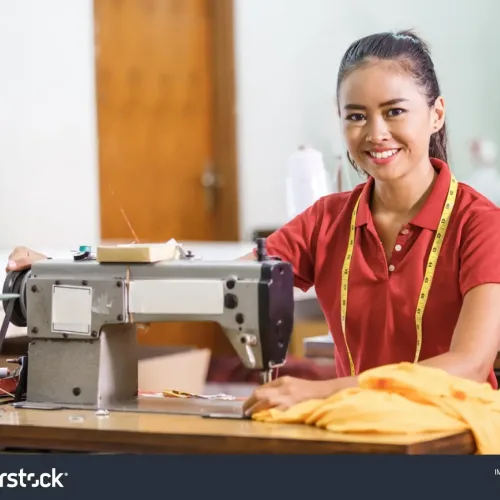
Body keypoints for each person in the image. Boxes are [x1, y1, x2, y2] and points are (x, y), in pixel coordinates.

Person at [6, 30, 500, 418]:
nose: (375, 133)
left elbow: (468, 365)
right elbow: (207, 286)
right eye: (356, 116)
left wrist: (322, 390)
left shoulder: (482, 226)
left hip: (457, 438)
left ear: (436, 114)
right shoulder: (328, 222)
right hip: (361, 431)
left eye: (395, 111)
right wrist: (67, 271)